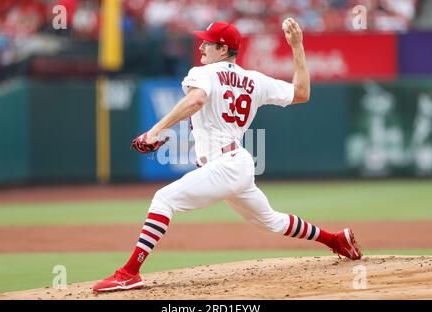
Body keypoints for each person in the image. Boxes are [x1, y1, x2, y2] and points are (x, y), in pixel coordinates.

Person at [93, 18, 362, 293]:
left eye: (207, 43)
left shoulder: (204, 73)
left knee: (164, 199)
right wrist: (297, 46)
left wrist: (154, 131)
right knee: (271, 220)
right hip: (237, 163)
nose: (201, 49)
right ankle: (336, 240)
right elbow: (302, 93)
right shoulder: (254, 79)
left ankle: (129, 272)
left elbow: (196, 100)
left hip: (226, 165)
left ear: (223, 49)